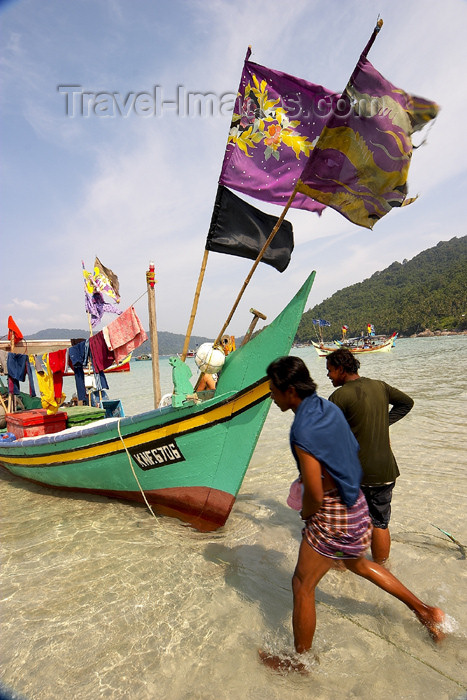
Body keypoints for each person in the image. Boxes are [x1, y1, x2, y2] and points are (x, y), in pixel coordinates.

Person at [260, 356, 444, 673]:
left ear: (290, 390)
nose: (272, 396)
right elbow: (348, 452)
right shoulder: (328, 408)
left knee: (302, 585)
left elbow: (316, 491)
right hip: (355, 502)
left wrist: (307, 513)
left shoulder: (302, 428)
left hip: (331, 511)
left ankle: (300, 662)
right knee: (358, 563)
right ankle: (426, 611)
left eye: (273, 390)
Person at [326, 348, 414, 564]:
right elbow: (406, 403)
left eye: (329, 370)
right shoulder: (380, 386)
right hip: (385, 472)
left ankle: (342, 569)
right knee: (380, 523)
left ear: (340, 368)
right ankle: (382, 569)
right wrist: (385, 421)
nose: (328, 375)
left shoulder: (338, 397)